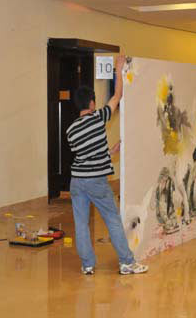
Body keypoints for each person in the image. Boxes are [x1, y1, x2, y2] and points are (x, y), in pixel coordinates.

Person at [66, 54, 148, 276]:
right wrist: (119, 69)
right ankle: (127, 262)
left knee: (81, 224)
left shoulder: (71, 130)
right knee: (112, 220)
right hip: (96, 182)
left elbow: (86, 154)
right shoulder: (98, 117)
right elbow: (118, 95)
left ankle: (88, 265)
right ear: (92, 103)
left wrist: (110, 152)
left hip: (77, 181)